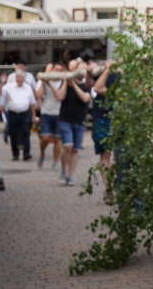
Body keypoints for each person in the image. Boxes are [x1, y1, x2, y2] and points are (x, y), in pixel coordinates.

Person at [57, 60, 92, 186]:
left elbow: (85, 98)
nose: (82, 72)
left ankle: (69, 176)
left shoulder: (87, 85)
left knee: (75, 150)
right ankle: (63, 171)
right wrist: (67, 83)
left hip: (79, 122)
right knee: (67, 146)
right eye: (80, 69)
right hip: (65, 120)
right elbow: (60, 97)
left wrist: (74, 85)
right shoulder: (66, 82)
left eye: (84, 70)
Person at [92, 60, 118, 203]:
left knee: (115, 156)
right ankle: (108, 188)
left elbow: (99, 89)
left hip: (116, 120)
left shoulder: (120, 77)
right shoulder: (102, 74)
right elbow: (97, 88)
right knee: (105, 157)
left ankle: (114, 187)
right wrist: (107, 69)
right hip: (102, 120)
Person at [0, 71, 38, 161]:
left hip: (25, 113)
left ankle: (26, 153)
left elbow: (32, 103)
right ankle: (15, 154)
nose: (19, 79)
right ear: (15, 78)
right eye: (17, 77)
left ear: (24, 79)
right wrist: (2, 107)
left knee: (26, 132)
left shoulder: (28, 88)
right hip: (12, 113)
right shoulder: (8, 87)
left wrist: (33, 115)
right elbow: (2, 100)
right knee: (13, 134)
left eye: (21, 77)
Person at [36, 63, 64, 169]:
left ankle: (55, 161)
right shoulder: (44, 81)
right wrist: (44, 83)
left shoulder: (63, 82)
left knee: (57, 139)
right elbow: (38, 95)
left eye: (59, 70)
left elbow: (59, 96)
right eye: (55, 69)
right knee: (46, 137)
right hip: (46, 112)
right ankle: (42, 153)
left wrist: (49, 84)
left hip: (59, 113)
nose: (57, 71)